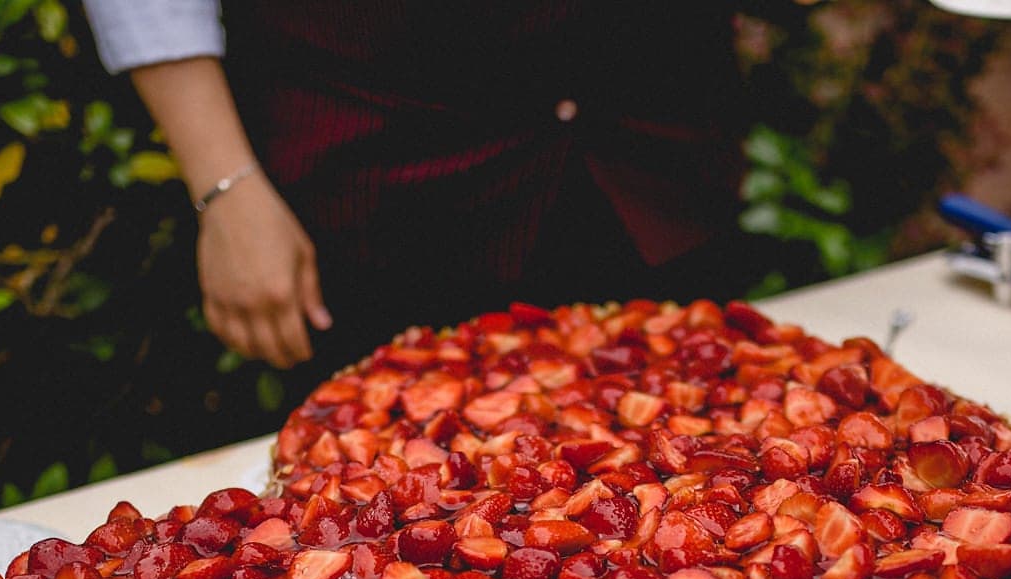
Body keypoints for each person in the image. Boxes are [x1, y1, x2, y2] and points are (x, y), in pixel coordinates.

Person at [83, 0, 749, 376]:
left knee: (711, 432)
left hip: (653, 144)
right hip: (385, 163)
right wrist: (225, 185)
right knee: (404, 509)